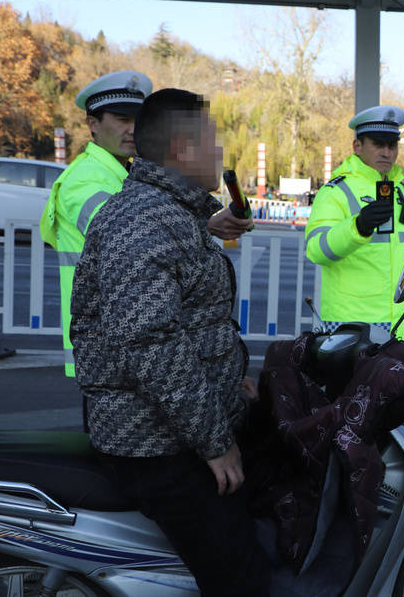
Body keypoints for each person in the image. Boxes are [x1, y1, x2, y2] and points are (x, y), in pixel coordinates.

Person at [70, 89, 271, 595]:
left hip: (170, 426)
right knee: (241, 580)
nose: (222, 153)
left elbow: (187, 320)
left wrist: (229, 381)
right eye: (213, 141)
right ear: (183, 150)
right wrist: (215, 441)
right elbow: (152, 345)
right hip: (156, 443)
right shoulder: (145, 220)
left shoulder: (167, 213)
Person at [41, 70, 251, 380]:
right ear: (92, 124)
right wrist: (207, 222)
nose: (132, 130)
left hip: (125, 347)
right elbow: (133, 234)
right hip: (109, 351)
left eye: (137, 120)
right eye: (121, 119)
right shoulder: (82, 179)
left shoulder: (125, 174)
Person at [305, 105, 404, 343]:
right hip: (351, 326)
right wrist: (358, 227)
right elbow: (316, 250)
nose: (386, 152)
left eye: (392, 145)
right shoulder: (335, 192)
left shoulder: (403, 194)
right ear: (357, 146)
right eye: (378, 144)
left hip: (399, 323)